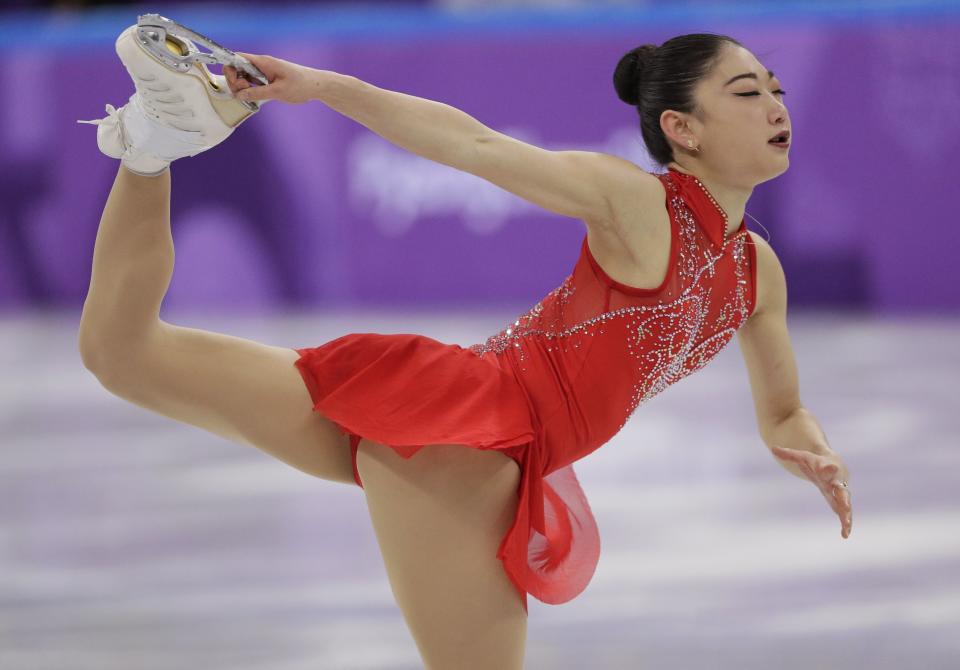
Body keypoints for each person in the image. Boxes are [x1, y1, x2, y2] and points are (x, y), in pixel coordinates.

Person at [77, 23, 852, 669]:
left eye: (777, 90)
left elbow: (784, 410)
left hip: (460, 423)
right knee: (120, 351)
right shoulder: (638, 203)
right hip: (470, 442)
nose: (775, 105)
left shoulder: (758, 274)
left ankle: (151, 146)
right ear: (682, 129)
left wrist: (808, 447)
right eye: (747, 94)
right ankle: (157, 141)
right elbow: (472, 144)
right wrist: (325, 86)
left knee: (124, 353)